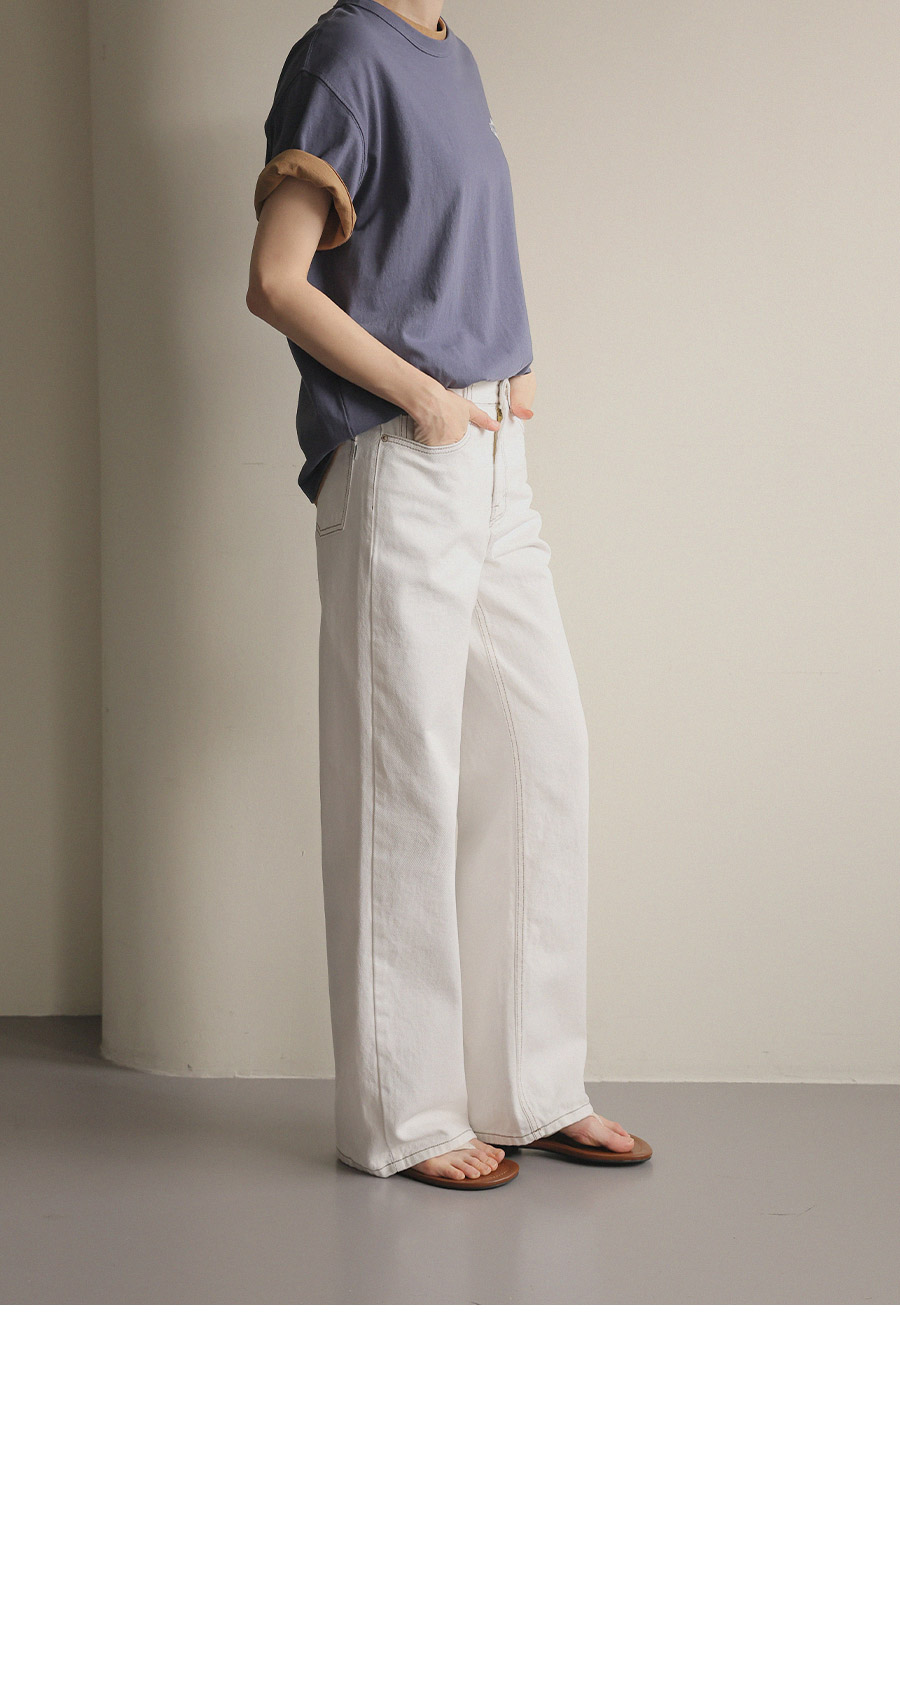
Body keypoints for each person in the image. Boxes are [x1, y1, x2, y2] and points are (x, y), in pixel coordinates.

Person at [246, 0, 652, 1187]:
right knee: (404, 780)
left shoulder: (453, 57)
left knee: (540, 752)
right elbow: (274, 280)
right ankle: (407, 1117)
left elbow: (446, 249)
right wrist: (422, 396)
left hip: (489, 455)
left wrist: (511, 369)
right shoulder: (344, 55)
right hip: (402, 451)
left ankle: (530, 1086)